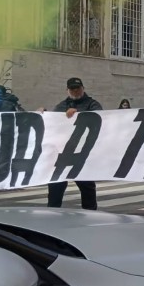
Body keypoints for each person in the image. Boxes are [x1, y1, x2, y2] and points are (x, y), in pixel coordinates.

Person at [39, 78, 103, 210]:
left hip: (82, 152)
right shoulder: (62, 105)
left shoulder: (92, 104)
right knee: (56, 185)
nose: (75, 91)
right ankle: (52, 211)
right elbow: (53, 123)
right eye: (72, 89)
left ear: (83, 88)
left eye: (77, 88)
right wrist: (44, 114)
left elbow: (100, 118)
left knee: (86, 185)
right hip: (63, 151)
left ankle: (91, 212)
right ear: (67, 90)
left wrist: (77, 115)